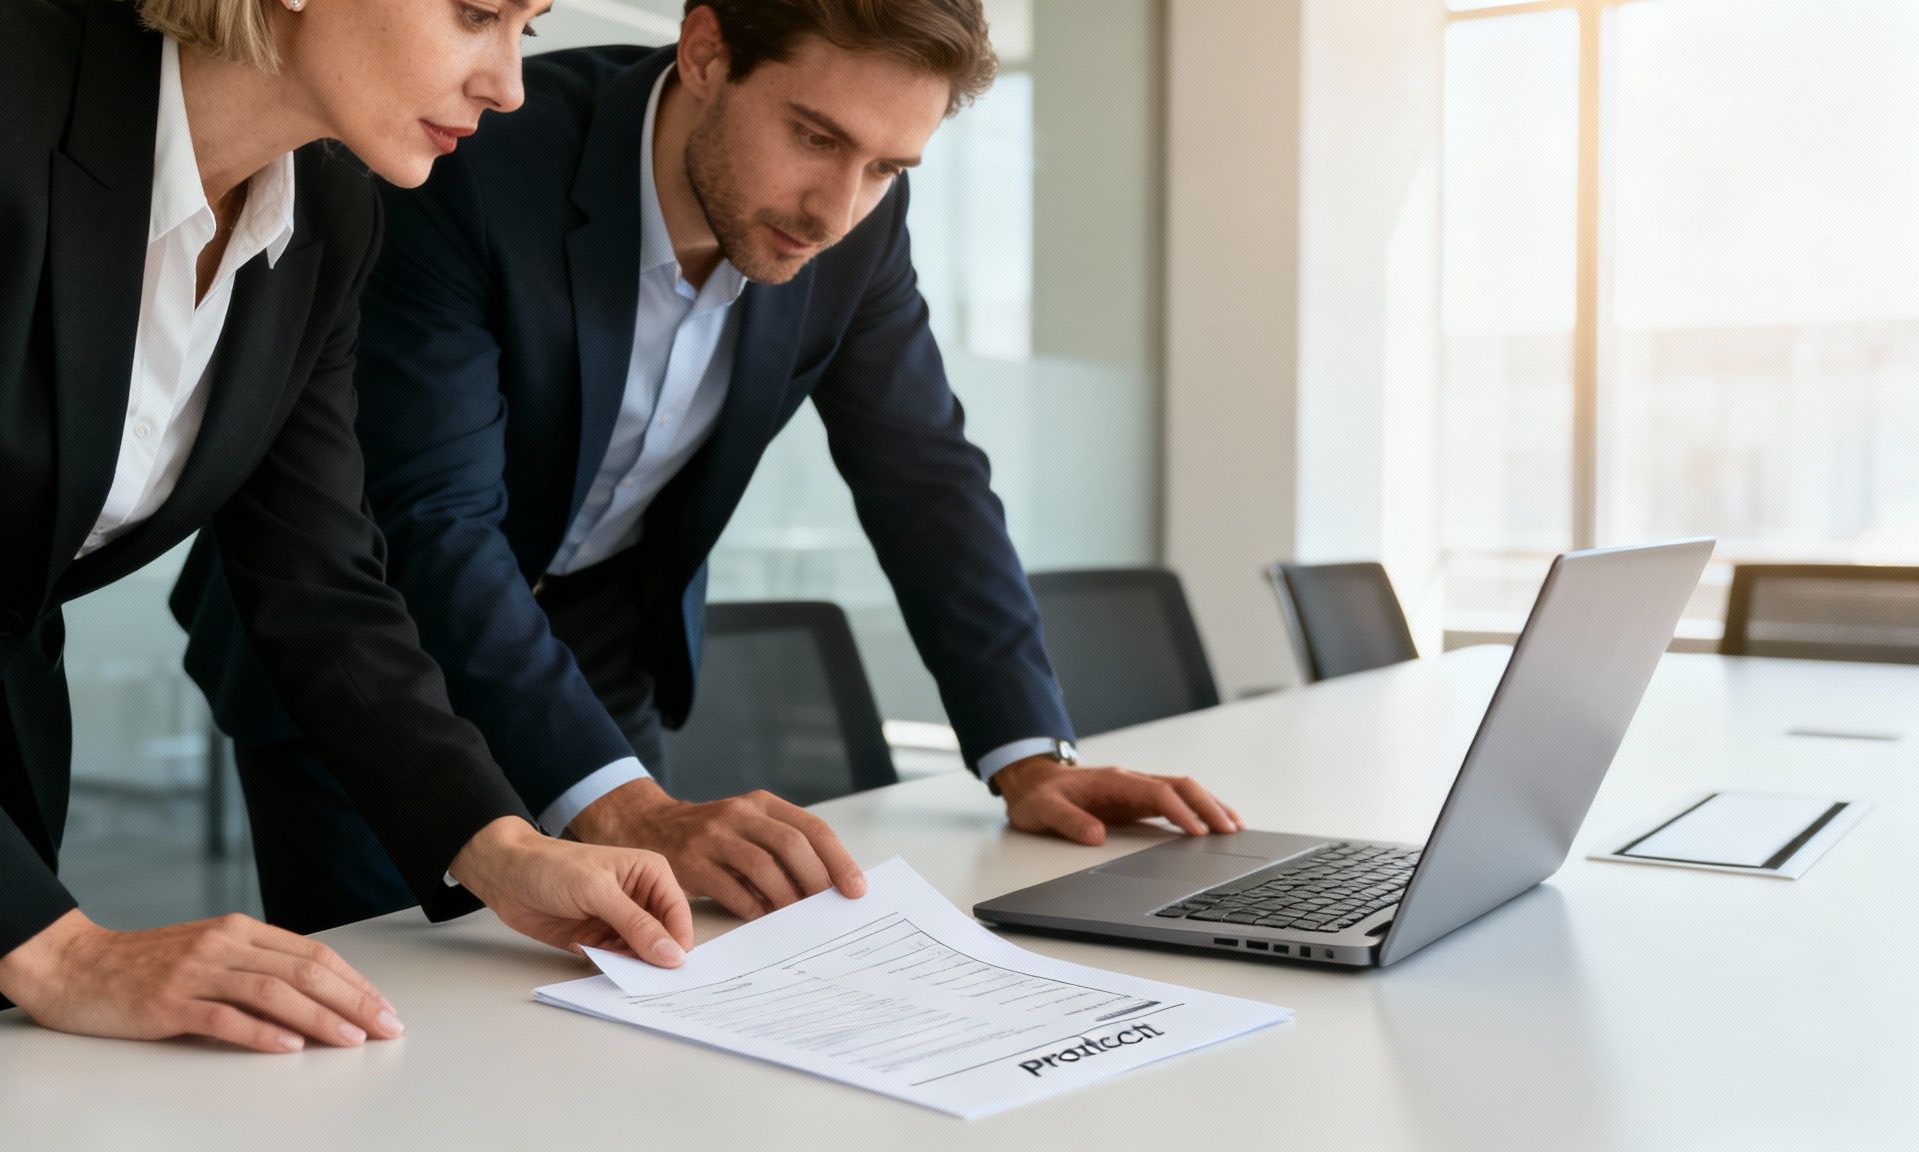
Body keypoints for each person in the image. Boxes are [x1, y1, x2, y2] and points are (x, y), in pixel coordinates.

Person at [175, 0, 1244, 936]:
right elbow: (432, 521)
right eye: (814, 136)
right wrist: (624, 805)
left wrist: (1029, 756)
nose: (835, 210)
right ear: (703, 54)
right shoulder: (478, 164)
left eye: (885, 168)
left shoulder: (855, 230)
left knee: (642, 986)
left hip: (599, 647)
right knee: (408, 1018)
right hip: (376, 663)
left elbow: (925, 474)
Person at [0, 0, 693, 1051]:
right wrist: (65, 953)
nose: (507, 85)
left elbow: (319, 582)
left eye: (523, 29)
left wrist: (499, 845)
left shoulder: (330, 212)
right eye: (477, 13)